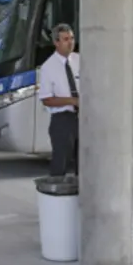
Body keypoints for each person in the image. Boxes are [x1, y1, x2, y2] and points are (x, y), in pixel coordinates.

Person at [37, 23, 80, 177]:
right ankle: (56, 195)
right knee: (61, 160)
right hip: (62, 119)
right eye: (66, 39)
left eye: (72, 38)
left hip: (82, 118)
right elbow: (46, 99)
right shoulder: (48, 67)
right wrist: (72, 101)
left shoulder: (79, 60)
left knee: (84, 161)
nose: (71, 43)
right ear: (56, 42)